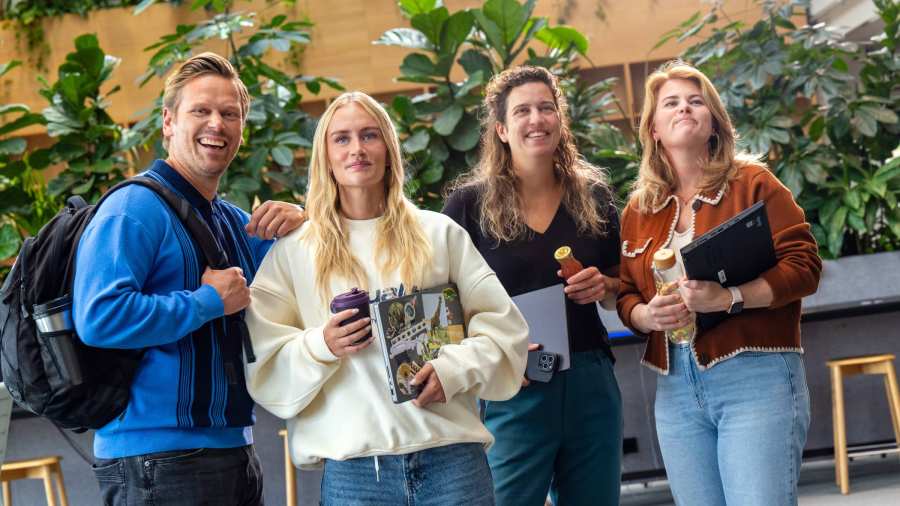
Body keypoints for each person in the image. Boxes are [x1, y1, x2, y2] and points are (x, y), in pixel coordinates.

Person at [243, 91, 529, 506]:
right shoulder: (295, 251)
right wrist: (321, 345)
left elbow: (505, 332)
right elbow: (262, 363)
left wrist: (452, 370)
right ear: (324, 156)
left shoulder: (440, 234)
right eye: (341, 138)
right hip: (355, 474)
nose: (356, 149)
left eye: (369, 135)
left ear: (389, 149)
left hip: (451, 462)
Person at [73, 52, 306, 506]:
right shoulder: (134, 208)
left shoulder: (230, 220)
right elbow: (99, 317)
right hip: (157, 460)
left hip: (231, 449)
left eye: (230, 113)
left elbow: (307, 273)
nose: (216, 124)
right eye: (200, 110)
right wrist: (207, 301)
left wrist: (304, 217)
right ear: (168, 121)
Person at [616, 60, 822, 505]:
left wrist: (729, 297)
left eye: (696, 101)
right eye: (670, 103)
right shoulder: (639, 209)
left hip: (756, 376)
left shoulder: (752, 182)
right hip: (675, 389)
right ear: (652, 128)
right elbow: (626, 294)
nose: (684, 108)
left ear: (713, 123)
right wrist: (645, 314)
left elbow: (804, 265)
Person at [443, 66, 623, 506]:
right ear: (502, 129)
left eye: (546, 107)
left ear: (560, 121)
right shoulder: (468, 206)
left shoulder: (594, 196)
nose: (536, 119)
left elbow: (625, 287)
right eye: (522, 111)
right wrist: (489, 359)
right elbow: (444, 304)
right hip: (513, 384)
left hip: (589, 381)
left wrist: (604, 285)